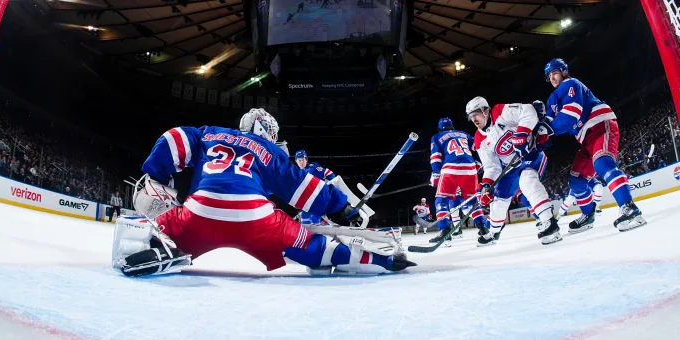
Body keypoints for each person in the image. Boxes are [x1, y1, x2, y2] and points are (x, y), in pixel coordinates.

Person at [112, 108, 415, 277]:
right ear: (267, 130)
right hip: (257, 219)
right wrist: (341, 206)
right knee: (310, 244)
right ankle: (380, 261)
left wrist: (158, 173)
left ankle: (158, 240)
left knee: (154, 194)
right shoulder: (270, 150)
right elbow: (305, 190)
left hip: (199, 212)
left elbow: (173, 138)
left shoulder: (208, 133)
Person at [543, 58, 646, 232]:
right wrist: (534, 133)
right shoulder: (552, 99)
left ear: (564, 71)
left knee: (603, 163)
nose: (552, 78)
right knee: (576, 181)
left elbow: (570, 114)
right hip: (586, 139)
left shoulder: (570, 84)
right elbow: (547, 128)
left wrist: (546, 129)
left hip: (600, 125)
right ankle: (588, 215)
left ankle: (629, 208)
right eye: (549, 76)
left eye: (554, 73)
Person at [465, 97, 562, 246]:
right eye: (470, 116)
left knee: (527, 181)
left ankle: (550, 224)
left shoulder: (499, 111)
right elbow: (492, 167)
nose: (474, 119)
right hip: (510, 167)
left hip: (530, 153)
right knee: (498, 198)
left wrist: (522, 133)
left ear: (486, 110)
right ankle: (494, 232)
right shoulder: (479, 139)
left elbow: (528, 111)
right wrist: (486, 186)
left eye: (475, 114)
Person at [428, 117, 487, 243]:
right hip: (470, 169)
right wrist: (478, 163)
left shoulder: (437, 137)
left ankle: (444, 231)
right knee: (472, 200)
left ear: (440, 128)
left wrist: (436, 173)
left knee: (441, 199)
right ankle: (483, 228)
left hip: (450, 169)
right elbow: (478, 146)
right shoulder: (464, 134)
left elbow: (436, 158)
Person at [294, 149, 335, 226]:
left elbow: (328, 173)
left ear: (306, 159)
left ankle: (322, 234)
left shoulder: (313, 168)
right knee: (305, 218)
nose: (301, 162)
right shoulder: (296, 173)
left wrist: (331, 184)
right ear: (296, 161)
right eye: (299, 160)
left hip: (317, 199)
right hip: (307, 202)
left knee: (314, 218)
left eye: (303, 160)